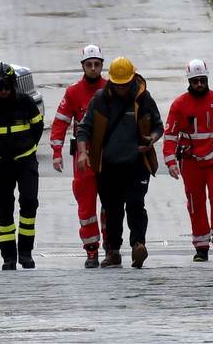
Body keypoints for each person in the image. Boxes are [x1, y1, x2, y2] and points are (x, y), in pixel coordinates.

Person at [75, 56, 163, 269]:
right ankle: (113, 251)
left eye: (125, 84)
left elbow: (158, 126)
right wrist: (83, 153)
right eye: (118, 84)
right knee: (112, 210)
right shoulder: (100, 99)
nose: (122, 89)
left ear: (132, 79)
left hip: (137, 164)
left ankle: (138, 245)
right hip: (108, 166)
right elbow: (84, 128)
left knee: (135, 205)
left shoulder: (143, 98)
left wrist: (150, 140)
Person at [163, 59, 213, 261]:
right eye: (195, 81)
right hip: (191, 163)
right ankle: (201, 247)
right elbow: (170, 136)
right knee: (195, 204)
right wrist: (171, 162)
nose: (199, 85)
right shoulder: (179, 105)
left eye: (202, 80)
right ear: (189, 81)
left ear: (207, 79)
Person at [0, 62, 44, 270]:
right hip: (0, 164)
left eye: (6, 87)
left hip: (25, 161)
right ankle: (8, 257)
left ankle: (25, 253)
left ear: (13, 85)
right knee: (4, 208)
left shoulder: (25, 103)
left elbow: (38, 127)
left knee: (29, 202)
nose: (3, 91)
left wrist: (27, 147)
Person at [49, 44, 108, 268]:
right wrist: (56, 152)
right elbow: (61, 122)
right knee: (86, 206)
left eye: (97, 64)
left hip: (108, 156)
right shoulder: (73, 92)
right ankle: (91, 250)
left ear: (102, 65)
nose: (93, 68)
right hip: (83, 159)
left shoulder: (111, 88)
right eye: (89, 65)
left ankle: (111, 247)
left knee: (110, 204)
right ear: (83, 66)